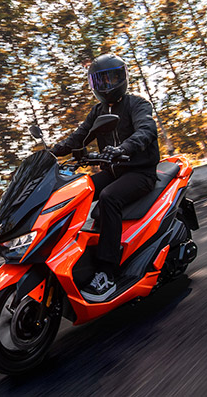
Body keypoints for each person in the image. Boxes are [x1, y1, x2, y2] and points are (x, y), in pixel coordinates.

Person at [50, 54, 160, 302]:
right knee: (76, 191)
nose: (106, 85)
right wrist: (52, 152)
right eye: (100, 81)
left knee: (109, 198)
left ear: (123, 78)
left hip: (140, 172)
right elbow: (79, 137)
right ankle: (69, 256)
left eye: (111, 78)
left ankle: (107, 272)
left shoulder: (137, 104)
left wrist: (124, 148)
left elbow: (146, 130)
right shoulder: (97, 111)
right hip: (112, 172)